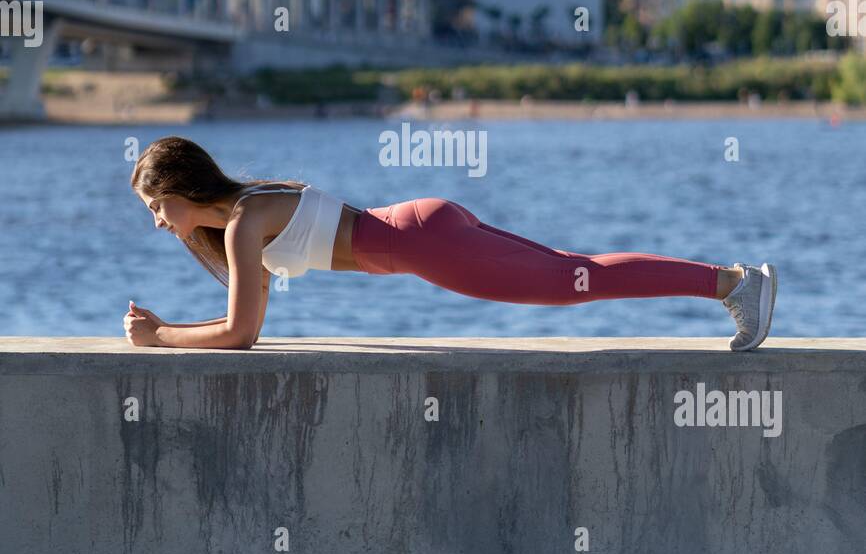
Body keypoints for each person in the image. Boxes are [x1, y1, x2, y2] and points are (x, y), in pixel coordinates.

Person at [125, 135, 777, 352]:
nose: (159, 221)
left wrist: (161, 338)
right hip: (425, 226)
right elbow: (246, 317)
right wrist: (172, 327)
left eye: (158, 205)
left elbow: (243, 334)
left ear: (182, 185)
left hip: (426, 247)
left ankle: (733, 283)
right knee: (577, 271)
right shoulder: (248, 212)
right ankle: (731, 281)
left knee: (576, 281)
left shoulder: (244, 222)